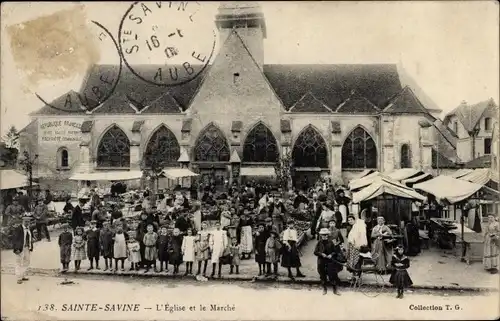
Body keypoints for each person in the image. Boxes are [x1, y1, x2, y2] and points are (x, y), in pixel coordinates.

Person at [314, 228, 345, 295]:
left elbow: (335, 251)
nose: (324, 236)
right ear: (321, 235)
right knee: (322, 275)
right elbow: (315, 252)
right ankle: (324, 289)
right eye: (323, 235)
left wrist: (331, 255)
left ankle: (335, 289)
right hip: (321, 261)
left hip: (330, 261)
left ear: (328, 235)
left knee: (332, 275)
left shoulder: (331, 242)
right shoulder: (319, 243)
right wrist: (321, 254)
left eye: (325, 235)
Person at [12, 214, 34, 284]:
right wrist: (16, 249)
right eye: (26, 221)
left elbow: (30, 237)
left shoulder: (29, 229)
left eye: (28, 221)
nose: (27, 223)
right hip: (20, 248)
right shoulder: (18, 229)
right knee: (19, 263)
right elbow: (14, 239)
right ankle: (19, 278)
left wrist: (31, 245)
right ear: (23, 221)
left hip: (27, 248)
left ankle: (23, 275)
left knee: (27, 262)